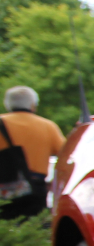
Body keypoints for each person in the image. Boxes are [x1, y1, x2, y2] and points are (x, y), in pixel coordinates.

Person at [0, 85, 66, 219]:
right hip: (35, 188)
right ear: (33, 105)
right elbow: (67, 155)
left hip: (3, 188)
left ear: (7, 105)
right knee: (32, 230)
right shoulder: (48, 126)